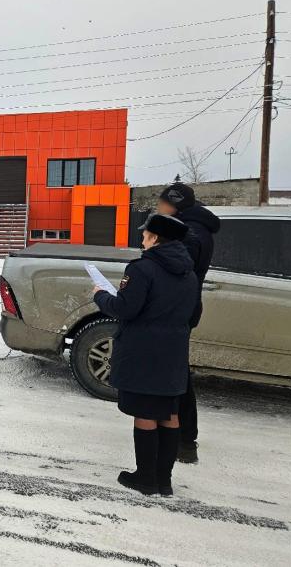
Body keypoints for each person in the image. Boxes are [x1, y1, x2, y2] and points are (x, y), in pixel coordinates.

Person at [93, 214, 198, 496]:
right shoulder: (189, 272)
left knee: (145, 414)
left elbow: (126, 309)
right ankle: (163, 481)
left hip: (143, 351)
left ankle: (145, 478)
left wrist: (101, 296)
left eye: (145, 234)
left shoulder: (142, 269)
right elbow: (195, 314)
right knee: (169, 413)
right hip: (174, 352)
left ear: (155, 238)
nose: (142, 238)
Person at [156, 182, 221, 464]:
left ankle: (182, 439)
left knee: (175, 375)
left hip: (176, 310)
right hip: (183, 308)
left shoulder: (189, 234)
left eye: (162, 203)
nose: (158, 207)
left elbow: (177, 272)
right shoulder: (195, 228)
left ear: (175, 203)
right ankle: (178, 436)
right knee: (175, 372)